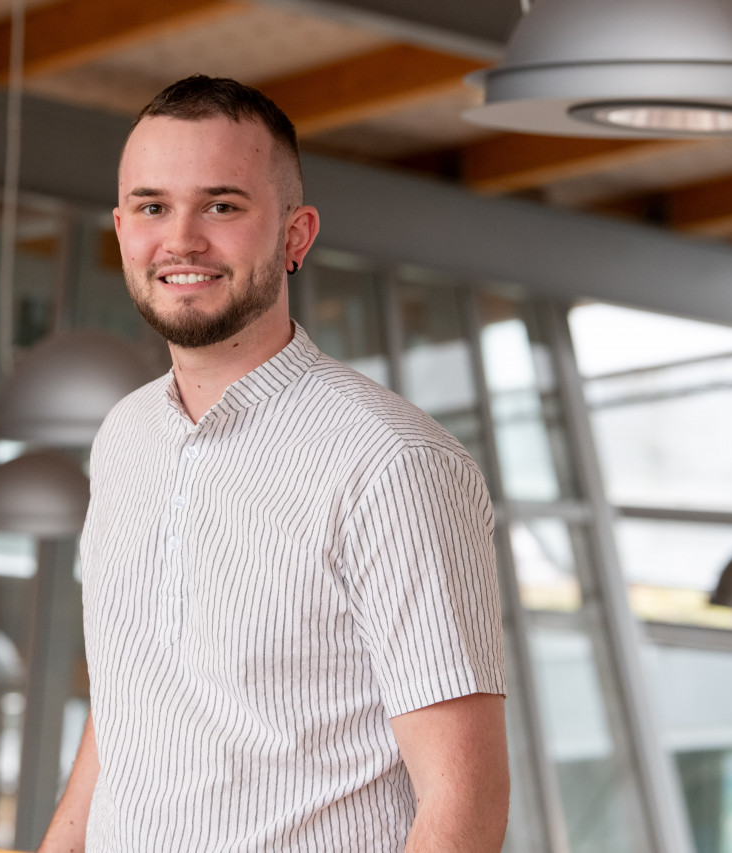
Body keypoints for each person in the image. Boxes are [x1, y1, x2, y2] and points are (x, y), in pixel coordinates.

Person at [39, 75, 508, 853]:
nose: (182, 239)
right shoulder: (124, 438)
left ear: (296, 235)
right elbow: (131, 696)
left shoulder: (390, 462)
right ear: (122, 228)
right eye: (154, 207)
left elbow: (466, 801)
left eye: (222, 205)